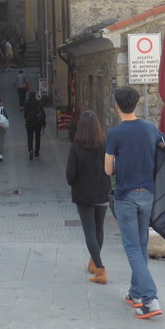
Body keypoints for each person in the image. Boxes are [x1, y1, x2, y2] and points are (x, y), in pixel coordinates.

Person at [105, 86, 164, 319]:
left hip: (126, 196)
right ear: (137, 103)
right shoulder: (151, 129)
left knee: (131, 248)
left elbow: (108, 169)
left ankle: (150, 299)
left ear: (116, 106)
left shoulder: (115, 134)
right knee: (140, 246)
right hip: (147, 194)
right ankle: (135, 293)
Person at [66, 110, 110, 285]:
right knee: (99, 228)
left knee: (89, 230)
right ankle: (93, 261)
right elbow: (111, 168)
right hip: (102, 191)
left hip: (84, 193)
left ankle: (100, 269)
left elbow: (70, 174)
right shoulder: (106, 145)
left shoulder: (76, 147)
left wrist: (74, 183)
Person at [23, 92, 46, 160]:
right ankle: (37, 152)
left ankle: (31, 150)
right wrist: (44, 123)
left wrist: (27, 119)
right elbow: (42, 113)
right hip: (37, 122)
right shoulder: (38, 103)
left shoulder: (26, 104)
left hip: (29, 122)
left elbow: (25, 114)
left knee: (30, 137)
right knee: (37, 137)